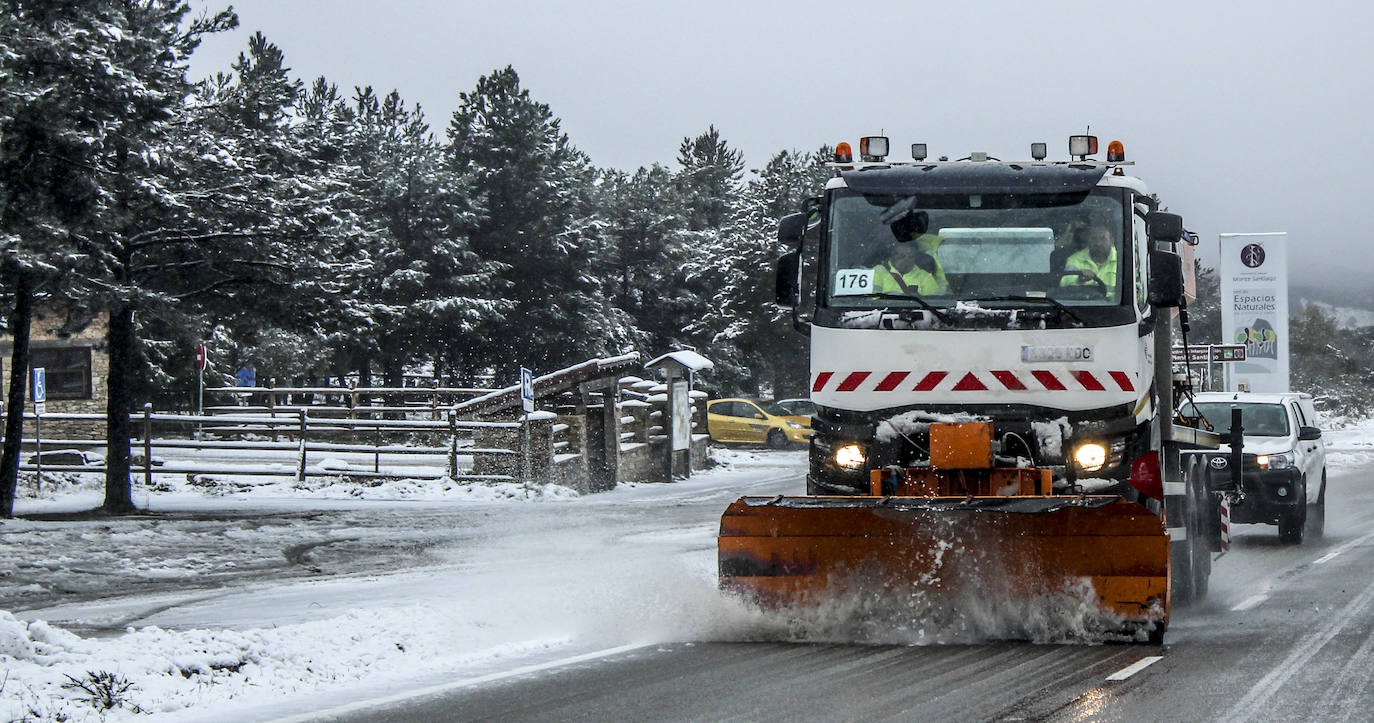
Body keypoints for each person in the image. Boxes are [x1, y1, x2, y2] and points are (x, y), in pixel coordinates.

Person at [1060, 225, 1119, 299]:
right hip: (1084, 306)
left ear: (1111, 241)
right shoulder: (1075, 259)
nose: (1098, 243)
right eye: (1094, 239)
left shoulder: (1121, 261)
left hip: (1114, 307)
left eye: (1103, 239)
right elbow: (1064, 282)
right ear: (1088, 241)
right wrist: (1079, 279)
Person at [873, 239, 948, 295]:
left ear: (915, 257)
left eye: (911, 257)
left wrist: (918, 298)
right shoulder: (878, 272)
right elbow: (872, 300)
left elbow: (933, 302)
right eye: (902, 256)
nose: (906, 260)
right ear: (893, 255)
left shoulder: (924, 276)